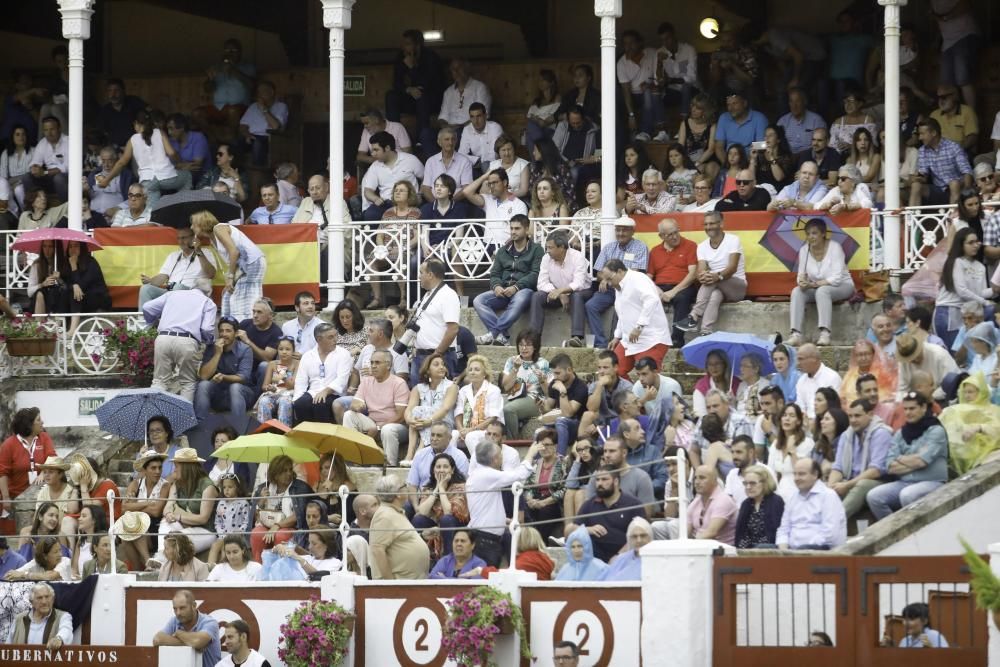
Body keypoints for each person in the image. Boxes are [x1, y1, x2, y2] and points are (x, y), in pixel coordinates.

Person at [867, 392, 949, 521]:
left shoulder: (935, 430)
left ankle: (913, 530)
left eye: (912, 408)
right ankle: (892, 528)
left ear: (923, 408)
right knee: (874, 496)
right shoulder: (901, 433)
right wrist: (914, 461)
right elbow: (890, 467)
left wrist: (900, 458)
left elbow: (921, 462)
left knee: (907, 495)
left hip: (932, 482)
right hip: (904, 482)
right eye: (905, 409)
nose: (908, 412)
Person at [466, 439, 543, 566]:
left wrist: (506, 520)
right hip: (485, 539)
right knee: (485, 580)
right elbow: (519, 474)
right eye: (500, 456)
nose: (502, 458)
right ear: (494, 459)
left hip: (484, 537)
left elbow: (488, 508)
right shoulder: (487, 475)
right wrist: (530, 454)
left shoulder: (480, 474)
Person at [472, 215, 543, 347]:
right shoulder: (503, 251)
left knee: (520, 298)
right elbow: (494, 273)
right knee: (478, 300)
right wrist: (496, 286)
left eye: (517, 228)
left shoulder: (536, 249)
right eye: (511, 228)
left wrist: (516, 287)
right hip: (503, 290)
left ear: (527, 230)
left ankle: (493, 333)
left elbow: (535, 274)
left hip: (523, 290)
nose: (513, 232)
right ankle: (502, 335)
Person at [97, 110, 191, 209]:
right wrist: (181, 163)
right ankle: (182, 206)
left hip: (148, 182)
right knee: (187, 176)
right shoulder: (159, 132)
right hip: (167, 177)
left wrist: (107, 180)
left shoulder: (132, 140)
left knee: (152, 212)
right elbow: (171, 153)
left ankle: (155, 219)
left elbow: (121, 162)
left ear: (136, 123)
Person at [675, 212, 747, 337]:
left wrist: (716, 276)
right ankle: (705, 331)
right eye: (706, 224)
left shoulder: (733, 239)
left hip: (736, 287)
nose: (708, 227)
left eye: (712, 223)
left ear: (721, 224)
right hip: (715, 285)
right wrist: (702, 276)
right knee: (714, 295)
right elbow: (701, 270)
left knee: (713, 280)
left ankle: (694, 315)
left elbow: (732, 268)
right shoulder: (702, 246)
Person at [786, 218, 856, 347]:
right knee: (797, 291)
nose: (810, 237)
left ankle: (825, 334)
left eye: (814, 233)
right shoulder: (804, 250)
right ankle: (795, 334)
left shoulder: (835, 247)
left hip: (842, 286)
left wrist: (812, 285)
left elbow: (836, 278)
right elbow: (800, 275)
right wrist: (802, 282)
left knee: (823, 291)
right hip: (817, 288)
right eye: (807, 234)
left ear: (823, 234)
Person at [585, 214, 650, 348]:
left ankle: (619, 343)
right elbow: (599, 272)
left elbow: (637, 272)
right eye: (618, 230)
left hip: (629, 290)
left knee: (621, 307)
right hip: (609, 289)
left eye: (625, 230)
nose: (621, 233)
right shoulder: (609, 247)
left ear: (633, 231)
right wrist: (605, 279)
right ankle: (601, 343)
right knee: (591, 305)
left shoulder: (640, 247)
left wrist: (609, 278)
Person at [191, 210, 266, 321]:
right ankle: (229, 326)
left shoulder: (219, 228)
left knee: (242, 301)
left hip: (251, 263)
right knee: (227, 296)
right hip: (242, 267)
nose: (191, 227)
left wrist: (230, 277)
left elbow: (234, 252)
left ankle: (246, 325)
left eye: (193, 223)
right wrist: (197, 249)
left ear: (201, 223)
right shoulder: (212, 239)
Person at [827, 399, 892, 519]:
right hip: (851, 480)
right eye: (850, 416)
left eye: (857, 416)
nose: (853, 420)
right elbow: (838, 468)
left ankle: (835, 521)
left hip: (878, 481)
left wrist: (847, 485)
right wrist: (830, 488)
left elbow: (876, 470)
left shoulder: (881, 433)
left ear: (870, 415)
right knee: (824, 489)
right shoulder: (846, 435)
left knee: (861, 485)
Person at [342, 350, 410, 464]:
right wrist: (356, 406)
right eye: (372, 362)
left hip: (397, 426)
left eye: (377, 363)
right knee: (348, 415)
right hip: (373, 423)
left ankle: (389, 465)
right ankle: (353, 458)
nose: (373, 366)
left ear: (388, 365)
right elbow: (354, 403)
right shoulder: (367, 381)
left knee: (388, 430)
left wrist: (379, 428)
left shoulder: (399, 383)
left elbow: (401, 415)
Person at [571, 465, 647, 562]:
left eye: (604, 479)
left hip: (625, 559)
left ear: (615, 482)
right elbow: (570, 530)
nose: (599, 483)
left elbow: (641, 538)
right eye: (597, 480)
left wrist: (619, 557)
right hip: (593, 561)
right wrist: (585, 529)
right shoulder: (589, 505)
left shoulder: (633, 504)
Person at [935, 227, 994, 351]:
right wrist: (985, 302)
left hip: (965, 313)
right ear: (961, 245)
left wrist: (995, 289)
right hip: (948, 312)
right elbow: (961, 290)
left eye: (977, 242)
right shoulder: (956, 262)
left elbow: (980, 293)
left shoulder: (980, 267)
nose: (975, 245)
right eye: (970, 243)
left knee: (965, 355)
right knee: (953, 355)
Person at [530, 231, 591, 348]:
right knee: (537, 296)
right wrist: (559, 293)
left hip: (581, 292)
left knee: (576, 295)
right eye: (547, 247)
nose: (547, 251)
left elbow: (579, 283)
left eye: (550, 248)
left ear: (562, 247)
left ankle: (576, 338)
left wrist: (561, 291)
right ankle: (533, 338)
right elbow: (541, 283)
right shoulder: (546, 258)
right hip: (557, 293)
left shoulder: (577, 257)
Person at [249, 455, 313, 562]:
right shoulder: (263, 487)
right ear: (275, 474)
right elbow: (255, 518)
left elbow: (299, 515)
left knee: (280, 535)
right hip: (267, 525)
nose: (288, 473)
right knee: (257, 534)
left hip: (290, 527)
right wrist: (261, 501)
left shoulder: (301, 487)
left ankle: (280, 568)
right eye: (284, 471)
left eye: (290, 470)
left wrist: (277, 526)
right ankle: (259, 568)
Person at [647, 218, 700, 348]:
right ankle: (651, 339)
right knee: (647, 298)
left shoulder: (690, 246)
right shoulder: (655, 251)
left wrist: (673, 291)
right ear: (661, 236)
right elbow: (648, 276)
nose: (675, 236)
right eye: (670, 234)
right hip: (660, 286)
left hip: (683, 285)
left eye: (676, 232)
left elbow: (693, 273)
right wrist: (657, 291)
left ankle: (677, 339)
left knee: (682, 298)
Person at [409, 259, 461, 386]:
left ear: (430, 275)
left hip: (440, 357)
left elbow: (453, 329)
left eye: (421, 272)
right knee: (419, 398)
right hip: (420, 355)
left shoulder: (448, 295)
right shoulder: (427, 295)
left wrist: (436, 355)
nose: (419, 276)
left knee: (440, 398)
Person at [776, 459, 847, 550]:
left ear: (815, 474)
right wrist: (783, 549)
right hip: (793, 551)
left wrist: (799, 549)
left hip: (823, 552)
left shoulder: (828, 496)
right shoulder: (792, 497)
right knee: (762, 549)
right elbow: (783, 529)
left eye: (801, 474)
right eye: (795, 474)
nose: (796, 478)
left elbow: (829, 535)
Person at [370, 474, 431, 579]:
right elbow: (377, 550)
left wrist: (422, 536)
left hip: (409, 583)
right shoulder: (384, 516)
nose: (407, 487)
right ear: (397, 493)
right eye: (404, 485)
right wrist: (392, 584)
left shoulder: (395, 511)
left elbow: (400, 539)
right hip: (399, 585)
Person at [138, 226, 217, 307]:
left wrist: (198, 251)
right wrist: (151, 281)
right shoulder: (173, 256)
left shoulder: (206, 253)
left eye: (184, 238)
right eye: (178, 238)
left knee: (177, 288)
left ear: (193, 238)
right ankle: (143, 319)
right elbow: (162, 277)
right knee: (146, 289)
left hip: (193, 293)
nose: (180, 241)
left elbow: (211, 274)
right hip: (171, 292)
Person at [0, 407, 57, 519]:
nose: (42, 422)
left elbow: (52, 457)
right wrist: (6, 498)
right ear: (29, 424)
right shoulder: (9, 444)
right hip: (15, 497)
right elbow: (2, 473)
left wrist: (44, 472)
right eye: (38, 420)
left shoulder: (44, 437)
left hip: (42, 495)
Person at [193, 317, 254, 421]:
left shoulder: (245, 349)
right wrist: (217, 353)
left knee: (235, 387)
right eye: (221, 331)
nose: (224, 334)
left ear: (236, 334)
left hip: (242, 394)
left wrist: (223, 377)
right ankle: (201, 425)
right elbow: (204, 376)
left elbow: (243, 377)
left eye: (228, 331)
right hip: (219, 394)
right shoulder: (212, 347)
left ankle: (238, 427)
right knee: (203, 385)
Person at [292, 323, 353, 424]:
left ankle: (323, 437)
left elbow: (342, 379)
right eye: (331, 337)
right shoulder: (308, 356)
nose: (335, 340)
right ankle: (305, 436)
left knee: (320, 404)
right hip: (313, 391)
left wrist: (325, 391)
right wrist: (297, 398)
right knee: (300, 404)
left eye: (336, 335)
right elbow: (300, 381)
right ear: (319, 339)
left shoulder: (343, 354)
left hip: (334, 393)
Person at [942, 372, 1000, 474]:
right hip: (962, 453)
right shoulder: (956, 409)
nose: (967, 395)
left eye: (970, 392)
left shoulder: (993, 409)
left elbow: (997, 429)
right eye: (965, 392)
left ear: (981, 391)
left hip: (986, 453)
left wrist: (979, 427)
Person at [909, 118, 973, 206]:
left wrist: (968, 194)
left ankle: (953, 217)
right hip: (938, 190)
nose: (920, 138)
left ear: (934, 133)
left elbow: (967, 172)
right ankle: (912, 218)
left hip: (958, 189)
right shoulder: (922, 150)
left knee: (954, 183)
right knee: (916, 185)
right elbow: (924, 175)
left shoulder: (953, 147)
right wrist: (918, 177)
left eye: (922, 134)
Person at [153, 589, 221, 667]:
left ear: (194, 606)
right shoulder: (174, 620)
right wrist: (192, 644)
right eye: (175, 609)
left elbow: (198, 641)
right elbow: (157, 639)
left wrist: (179, 633)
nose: (178, 613)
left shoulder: (209, 622)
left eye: (182, 608)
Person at [617, 30, 663, 142]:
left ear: (640, 43)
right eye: (625, 44)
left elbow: (660, 79)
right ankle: (653, 130)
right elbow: (626, 91)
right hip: (634, 96)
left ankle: (650, 131)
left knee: (649, 93)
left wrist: (651, 83)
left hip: (653, 92)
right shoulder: (622, 63)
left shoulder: (652, 53)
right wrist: (631, 115)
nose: (629, 47)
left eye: (632, 43)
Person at [523, 429, 566, 542]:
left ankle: (540, 542)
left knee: (545, 511)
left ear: (555, 446)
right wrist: (530, 499)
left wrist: (543, 502)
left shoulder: (563, 463)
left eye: (548, 445)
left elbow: (564, 489)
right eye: (542, 445)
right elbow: (527, 486)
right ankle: (528, 541)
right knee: (524, 507)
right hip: (535, 500)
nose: (544, 448)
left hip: (553, 502)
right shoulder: (535, 463)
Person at [895, 333, 959, 402]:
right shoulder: (903, 363)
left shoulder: (938, 354)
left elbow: (953, 382)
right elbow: (902, 389)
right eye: (912, 360)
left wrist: (929, 397)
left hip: (943, 398)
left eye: (917, 356)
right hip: (916, 402)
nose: (916, 360)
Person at [5, 582, 72, 648]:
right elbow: (7, 647)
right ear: (32, 602)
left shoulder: (63, 616)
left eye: (47, 597)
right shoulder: (19, 619)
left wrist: (59, 639)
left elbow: (66, 631)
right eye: (39, 598)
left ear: (53, 599)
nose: (44, 602)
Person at [734, 464, 784, 548]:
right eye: (745, 483)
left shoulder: (776, 501)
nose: (748, 487)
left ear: (765, 483)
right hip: (747, 551)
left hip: (769, 551)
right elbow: (740, 535)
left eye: (753, 483)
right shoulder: (746, 504)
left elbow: (776, 534)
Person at [21, 117, 68, 202]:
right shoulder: (43, 142)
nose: (49, 133)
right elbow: (35, 161)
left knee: (58, 178)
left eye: (52, 129)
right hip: (48, 178)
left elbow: (67, 167)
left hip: (66, 178)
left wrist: (44, 172)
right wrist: (35, 168)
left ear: (59, 128)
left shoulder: (68, 141)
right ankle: (33, 206)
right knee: (26, 177)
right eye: (46, 130)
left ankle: (66, 209)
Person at [255, 336, 298, 427]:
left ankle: (283, 430)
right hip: (274, 393)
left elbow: (291, 386)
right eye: (281, 349)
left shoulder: (297, 364)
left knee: (284, 401)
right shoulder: (272, 364)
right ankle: (265, 431)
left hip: (289, 394)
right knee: (264, 401)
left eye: (288, 349)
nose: (284, 352)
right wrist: (270, 388)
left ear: (293, 351)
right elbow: (264, 386)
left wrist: (282, 375)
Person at [794, 344, 842, 419]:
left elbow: (834, 408)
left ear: (814, 359)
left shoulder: (832, 377)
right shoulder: (801, 380)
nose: (798, 363)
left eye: (801, 359)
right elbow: (800, 407)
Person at [778, 88, 827, 155]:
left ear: (804, 102)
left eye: (797, 101)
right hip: (788, 159)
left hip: (810, 158)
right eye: (791, 101)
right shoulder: (782, 121)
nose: (794, 105)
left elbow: (822, 145)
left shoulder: (816, 121)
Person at [6, 537, 71, 582]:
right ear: (45, 556)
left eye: (60, 550)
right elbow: (10, 575)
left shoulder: (65, 561)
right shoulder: (35, 562)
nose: (60, 554)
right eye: (55, 552)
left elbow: (50, 577)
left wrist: (25, 575)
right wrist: (15, 574)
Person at [281, 291, 321, 355]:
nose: (310, 306)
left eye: (313, 303)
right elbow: (283, 349)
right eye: (306, 303)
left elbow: (323, 352)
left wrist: (303, 356)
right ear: (297, 308)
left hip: (312, 363)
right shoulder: (287, 326)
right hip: (290, 362)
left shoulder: (321, 326)